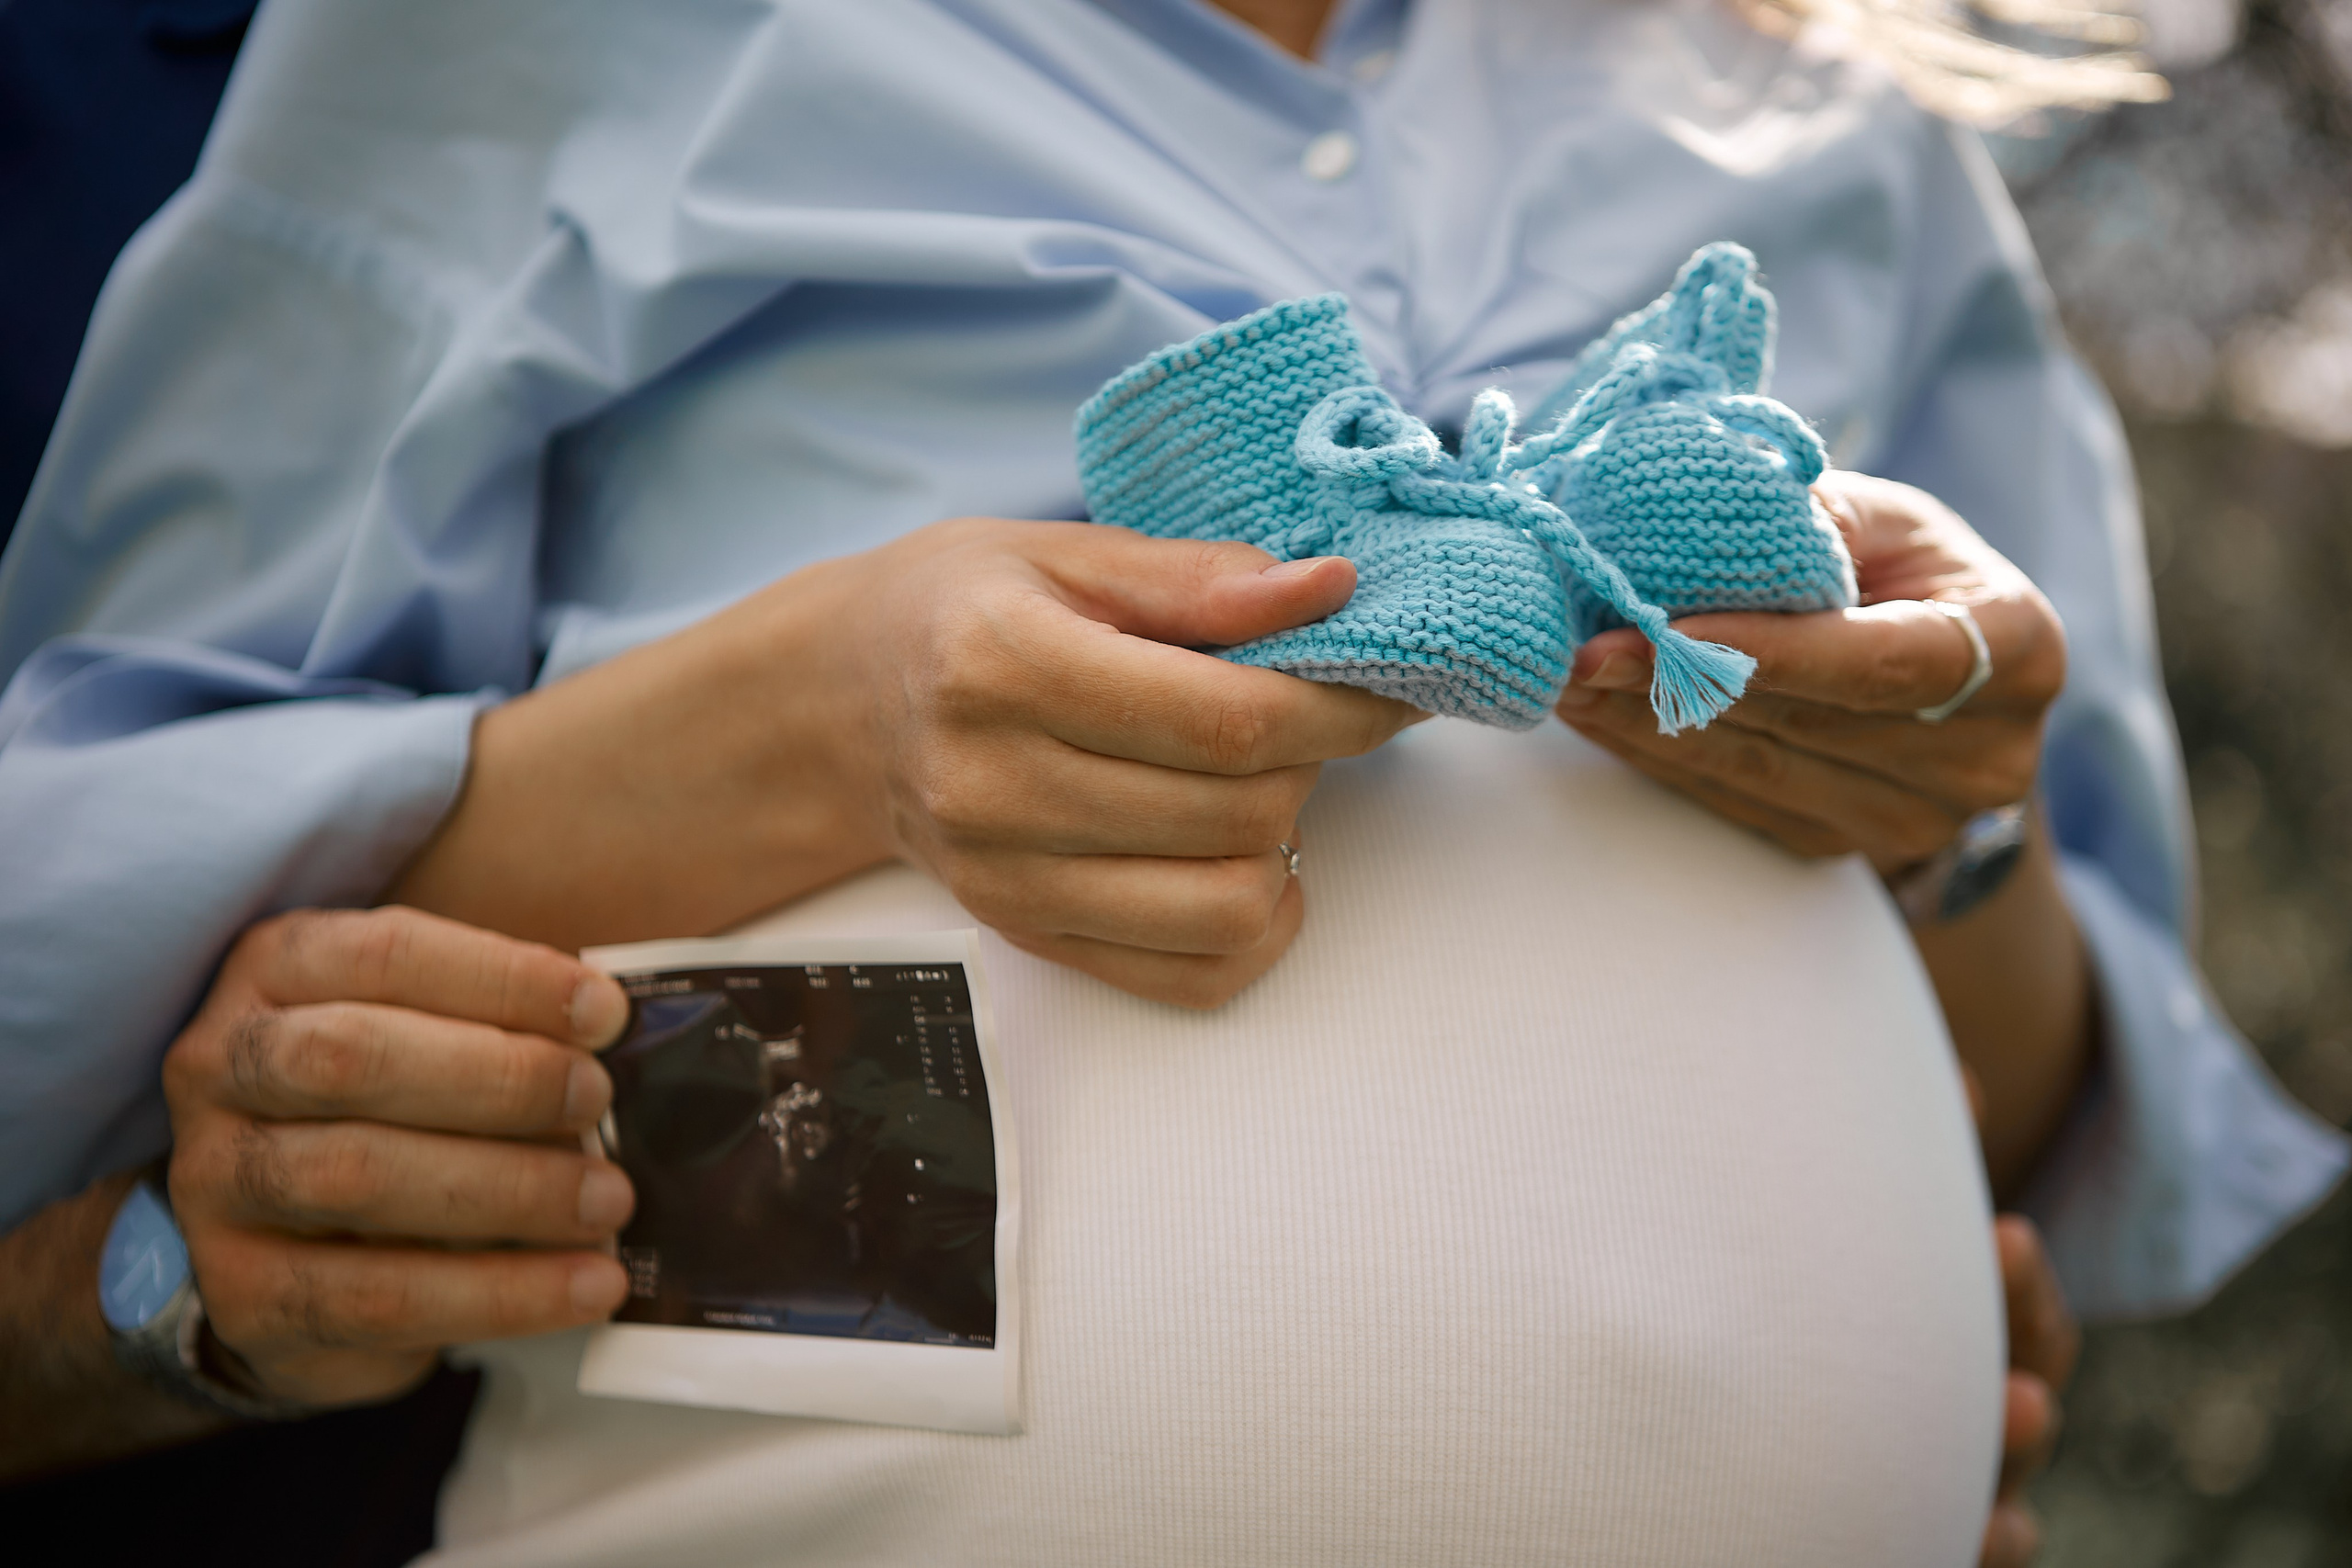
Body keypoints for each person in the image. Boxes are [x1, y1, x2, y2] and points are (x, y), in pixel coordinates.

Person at [0, 1, 2340, 1563]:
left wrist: (1949, 817)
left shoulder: (1821, 101)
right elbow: (100, 884)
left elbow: (2046, 1106)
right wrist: (821, 718)